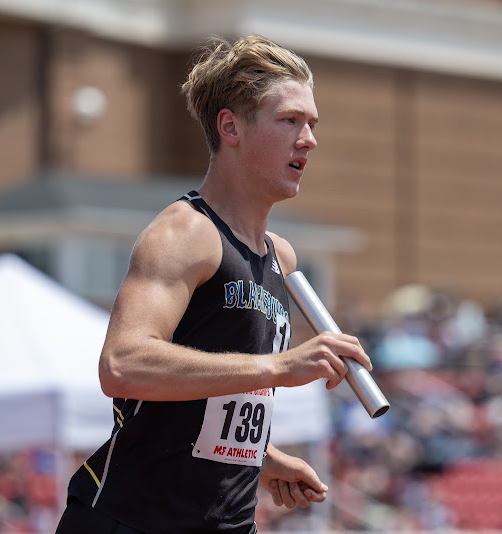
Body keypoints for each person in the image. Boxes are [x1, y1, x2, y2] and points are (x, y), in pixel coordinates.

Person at [55, 35, 373, 534]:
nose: (308, 139)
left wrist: (262, 457)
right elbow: (123, 364)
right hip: (135, 521)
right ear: (231, 127)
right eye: (289, 120)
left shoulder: (280, 258)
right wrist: (280, 364)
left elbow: (209, 400)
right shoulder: (186, 232)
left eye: (311, 124)